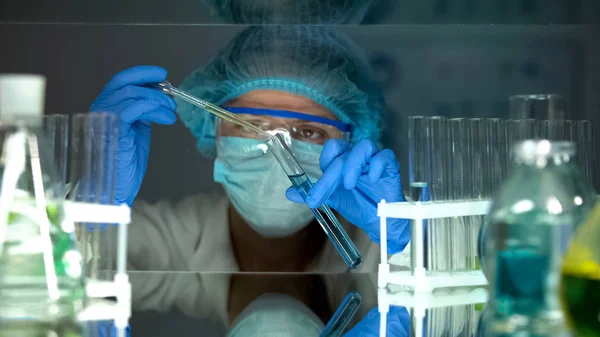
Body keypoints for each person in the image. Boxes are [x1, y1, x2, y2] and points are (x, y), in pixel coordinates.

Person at [89, 26, 409, 272]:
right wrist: (94, 205)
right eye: (252, 124)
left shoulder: (380, 243)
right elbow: (55, 261)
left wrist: (402, 237)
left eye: (308, 131)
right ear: (212, 131)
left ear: (350, 144)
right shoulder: (173, 239)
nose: (278, 146)